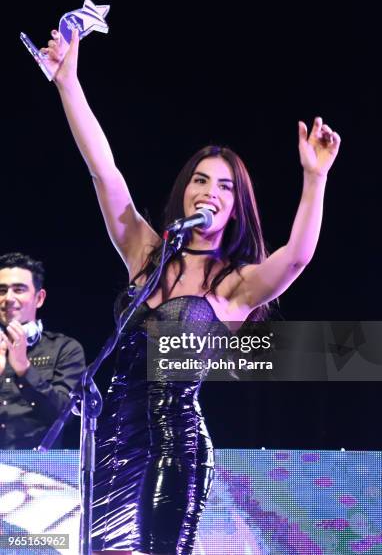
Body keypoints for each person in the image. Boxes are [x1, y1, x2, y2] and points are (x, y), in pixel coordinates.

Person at [39, 28, 340, 555]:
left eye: (225, 186)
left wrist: (314, 178)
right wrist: (69, 83)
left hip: (174, 451)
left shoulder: (235, 286)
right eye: (202, 180)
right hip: (112, 442)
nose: (210, 192)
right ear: (185, 191)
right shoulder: (145, 252)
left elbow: (297, 256)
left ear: (236, 205)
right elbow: (102, 170)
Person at [0, 252, 85, 449]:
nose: (8, 298)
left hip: (38, 471)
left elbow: (63, 415)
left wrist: (23, 368)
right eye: (2, 290)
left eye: (19, 290)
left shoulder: (65, 349)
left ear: (39, 298)